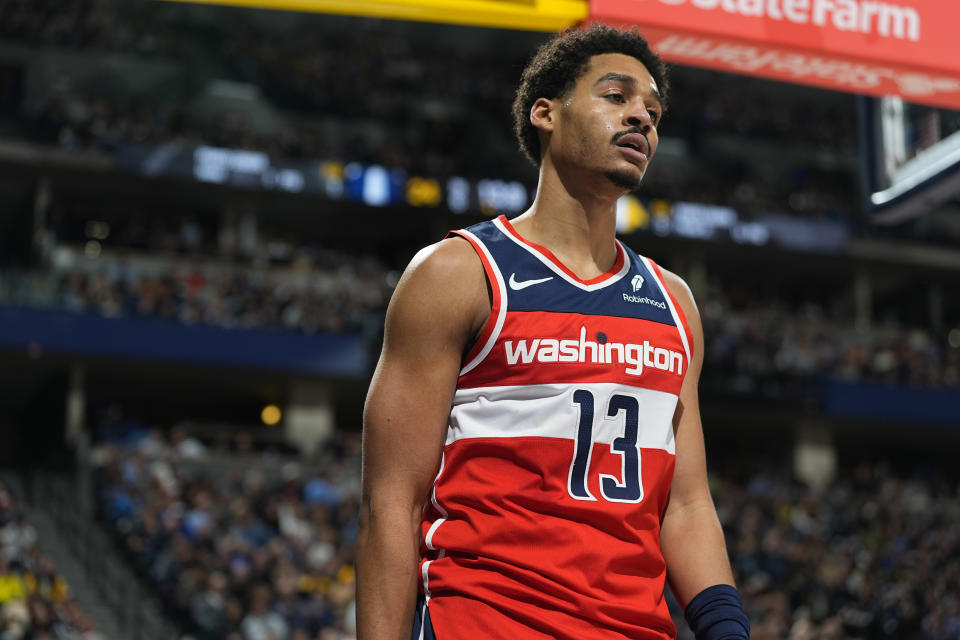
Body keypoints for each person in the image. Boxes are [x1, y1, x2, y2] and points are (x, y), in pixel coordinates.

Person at [357, 24, 750, 640]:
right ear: (545, 112)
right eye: (616, 96)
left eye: (652, 110)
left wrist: (727, 629)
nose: (641, 118)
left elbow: (686, 504)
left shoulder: (674, 302)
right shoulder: (459, 273)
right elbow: (391, 504)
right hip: (485, 622)